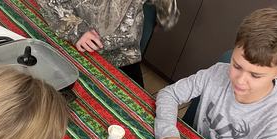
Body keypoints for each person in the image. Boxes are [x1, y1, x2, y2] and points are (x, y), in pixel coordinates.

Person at [154, 7, 277, 139]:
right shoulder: (217, 73)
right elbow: (168, 94)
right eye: (236, 65)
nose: (240, 80)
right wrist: (167, 130)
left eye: (255, 75)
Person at [37, 0, 179, 87]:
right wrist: (77, 30)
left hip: (123, 54)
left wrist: (165, 18)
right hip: (77, 44)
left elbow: (167, 7)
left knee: (135, 111)